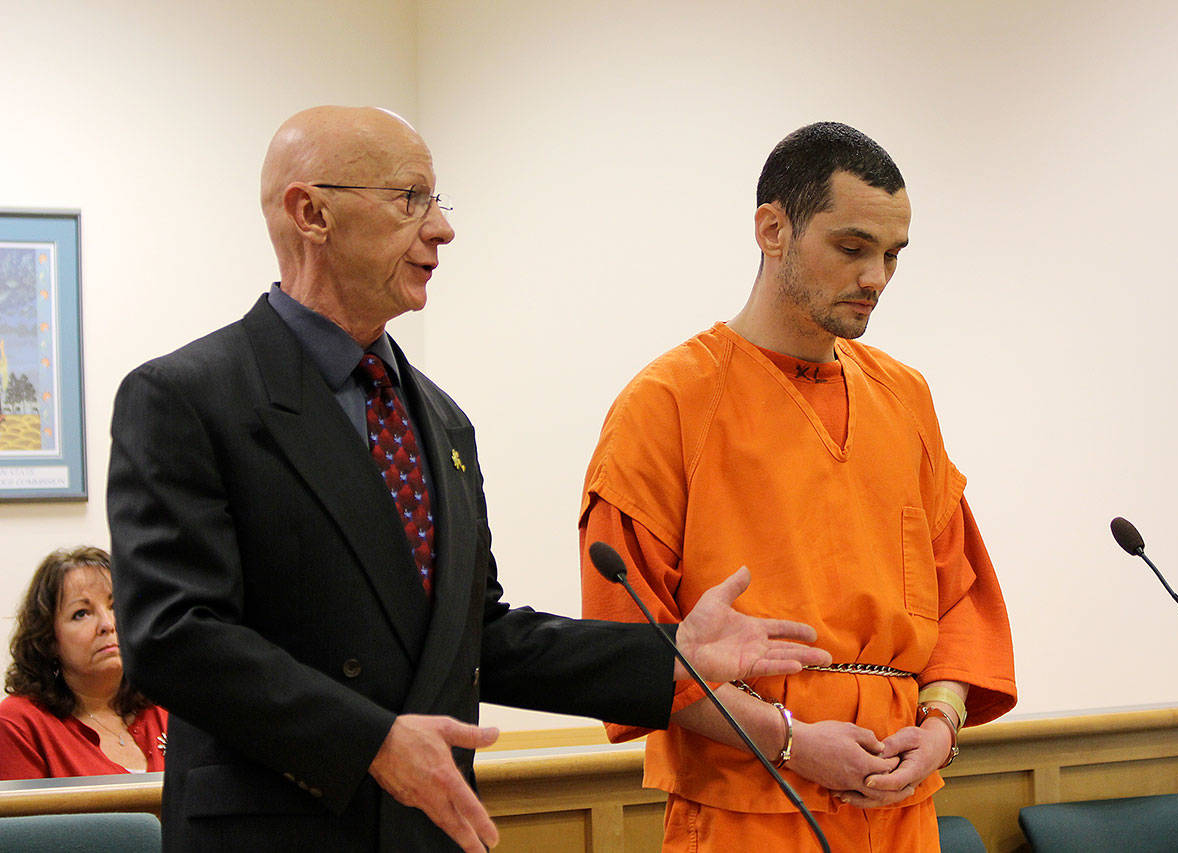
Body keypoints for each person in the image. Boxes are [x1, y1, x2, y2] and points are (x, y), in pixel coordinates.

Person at [105, 105, 830, 853]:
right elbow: (174, 636)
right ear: (311, 213)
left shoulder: (442, 420)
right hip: (281, 830)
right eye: (410, 197)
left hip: (432, 829)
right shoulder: (187, 396)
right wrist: (371, 741)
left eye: (438, 201)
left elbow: (478, 635)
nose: (442, 228)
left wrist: (670, 656)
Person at [579, 122, 1018, 851]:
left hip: (901, 800)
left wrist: (939, 729)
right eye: (852, 248)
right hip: (748, 801)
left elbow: (959, 595)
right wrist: (788, 738)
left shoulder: (905, 397)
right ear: (773, 228)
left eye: (891, 255)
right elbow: (631, 640)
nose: (876, 277)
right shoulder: (668, 401)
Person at [1, 546, 167, 779]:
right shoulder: (18, 724)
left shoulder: (168, 706)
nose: (107, 624)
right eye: (82, 613)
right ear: (48, 639)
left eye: (115, 606)